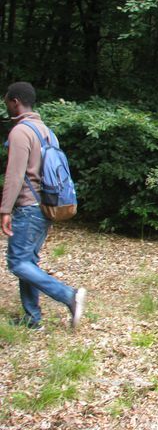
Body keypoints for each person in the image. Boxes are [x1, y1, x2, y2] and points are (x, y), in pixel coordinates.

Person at [1, 82, 86, 330]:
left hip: (28, 206)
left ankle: (69, 296)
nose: (6, 105)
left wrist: (5, 210)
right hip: (47, 205)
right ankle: (32, 318)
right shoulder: (47, 131)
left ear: (15, 101)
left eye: (7, 101)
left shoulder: (20, 132)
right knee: (28, 261)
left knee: (17, 263)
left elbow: (14, 176)